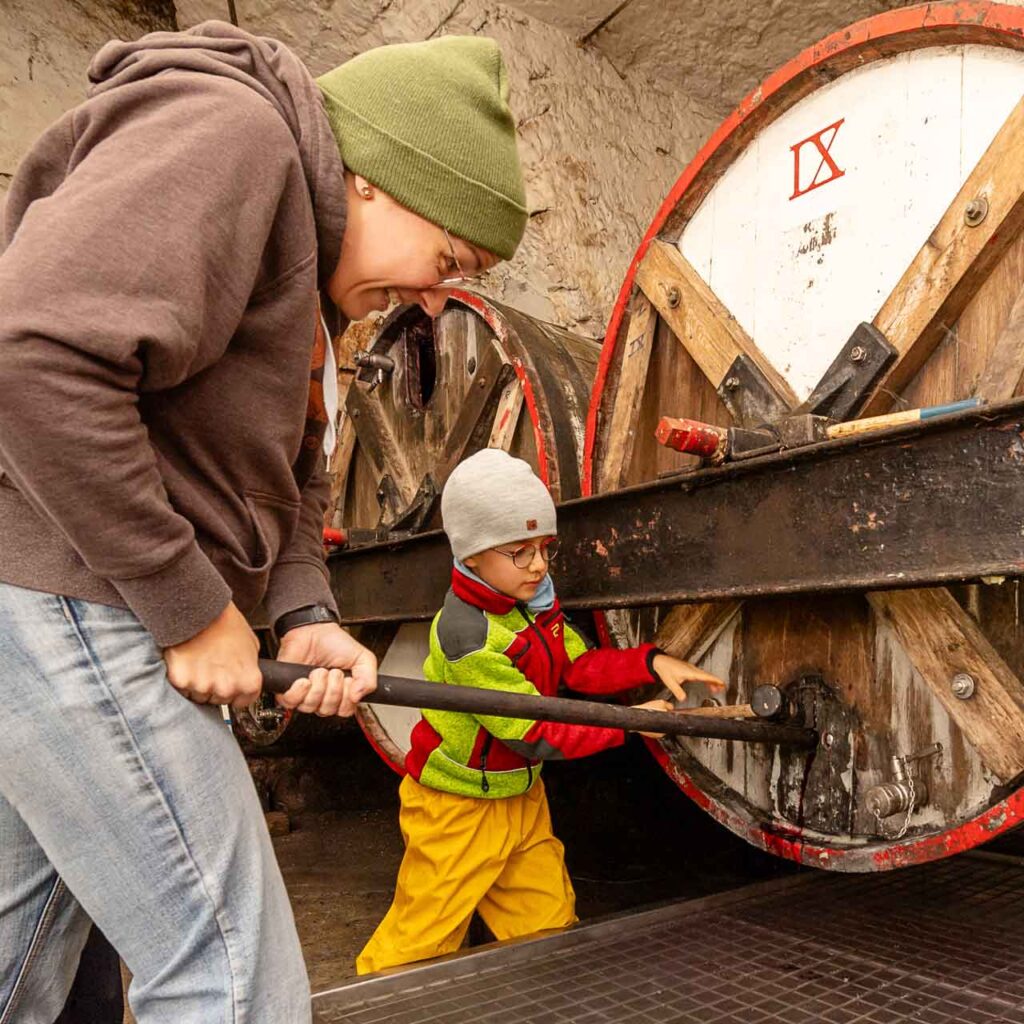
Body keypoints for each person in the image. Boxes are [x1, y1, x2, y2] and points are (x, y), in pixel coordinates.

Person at [0, 20, 528, 1024]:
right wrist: (192, 608)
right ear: (375, 177)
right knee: (231, 974)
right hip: (71, 585)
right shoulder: (232, 134)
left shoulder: (309, 280)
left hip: (53, 594)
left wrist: (302, 610)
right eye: (445, 254)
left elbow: (284, 473)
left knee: (22, 955)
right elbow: (32, 359)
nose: (433, 293)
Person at [356, 449, 725, 974]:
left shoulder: (531, 602)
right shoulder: (470, 636)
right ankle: (371, 1007)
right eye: (518, 551)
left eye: (543, 548)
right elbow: (531, 732)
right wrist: (633, 724)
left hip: (520, 795)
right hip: (458, 806)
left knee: (549, 925)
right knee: (421, 938)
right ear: (472, 555)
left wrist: (652, 661)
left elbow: (577, 666)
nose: (537, 565)